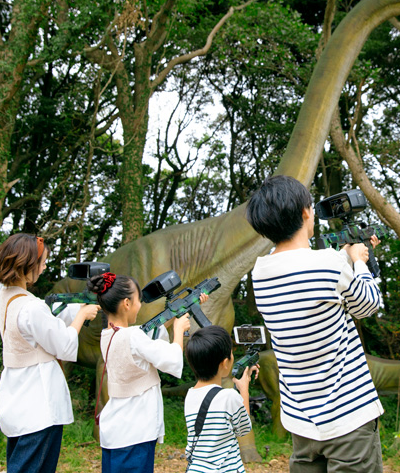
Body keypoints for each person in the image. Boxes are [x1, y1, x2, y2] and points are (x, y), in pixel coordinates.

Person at [246, 175, 383, 473]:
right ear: (306, 212)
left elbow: (310, 278)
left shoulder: (261, 273)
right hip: (349, 417)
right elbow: (368, 303)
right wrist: (360, 262)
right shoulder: (329, 265)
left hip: (302, 421)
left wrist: (344, 258)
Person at [0, 233, 100, 473]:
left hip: (18, 397)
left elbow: (45, 322)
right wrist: (82, 315)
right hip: (39, 404)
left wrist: (80, 305)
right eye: (41, 262)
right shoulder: (31, 307)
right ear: (26, 265)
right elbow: (62, 344)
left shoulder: (7, 296)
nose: (43, 267)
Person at [88, 272, 203, 473]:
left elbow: (146, 339)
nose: (140, 305)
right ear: (126, 303)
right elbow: (170, 360)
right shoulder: (133, 337)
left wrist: (175, 316)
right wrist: (178, 331)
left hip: (118, 430)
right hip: (136, 431)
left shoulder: (109, 335)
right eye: (138, 300)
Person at [184, 325, 257, 473]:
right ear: (225, 363)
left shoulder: (190, 395)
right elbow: (244, 428)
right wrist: (244, 390)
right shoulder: (229, 396)